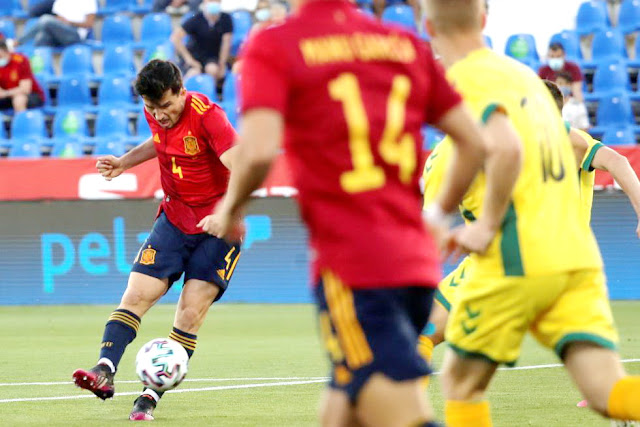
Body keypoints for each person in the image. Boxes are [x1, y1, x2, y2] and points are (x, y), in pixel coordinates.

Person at [198, 0, 490, 425]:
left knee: (400, 412)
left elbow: (258, 151)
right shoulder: (402, 44)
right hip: (415, 261)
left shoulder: (276, 44)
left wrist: (230, 207)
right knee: (344, 404)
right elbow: (475, 142)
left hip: (354, 264)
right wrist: (438, 214)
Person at [424, 1, 640, 426]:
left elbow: (503, 146)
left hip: (517, 254)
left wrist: (476, 221)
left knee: (462, 384)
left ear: (429, 28)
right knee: (605, 390)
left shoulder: (472, 78)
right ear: (484, 21)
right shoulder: (525, 84)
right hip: (575, 259)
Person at [71, 59, 240, 422]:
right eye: (152, 108)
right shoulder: (156, 113)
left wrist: (225, 212)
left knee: (189, 313)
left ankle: (149, 398)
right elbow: (160, 141)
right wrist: (124, 163)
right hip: (174, 219)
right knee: (135, 295)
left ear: (181, 90)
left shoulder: (209, 116)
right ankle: (104, 370)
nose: (160, 115)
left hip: (218, 229)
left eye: (166, 106)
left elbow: (243, 166)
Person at [170, 0, 233, 83]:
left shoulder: (225, 18)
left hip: (213, 57)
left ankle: (209, 93)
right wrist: (189, 59)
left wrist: (222, 64)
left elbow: (226, 43)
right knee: (192, 74)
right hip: (195, 56)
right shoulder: (196, 18)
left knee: (212, 70)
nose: (213, 2)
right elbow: (175, 37)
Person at [17, 0, 97, 48]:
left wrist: (69, 22)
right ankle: (38, 70)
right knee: (42, 36)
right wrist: (62, 21)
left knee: (46, 19)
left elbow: (89, 24)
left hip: (76, 34)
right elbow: (57, 17)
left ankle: (19, 42)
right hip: (60, 32)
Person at [0, 40, 45, 112]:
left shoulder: (21, 61)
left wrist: (5, 93)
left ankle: (22, 122)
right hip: (8, 97)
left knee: (19, 99)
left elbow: (25, 89)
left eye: (0, 56)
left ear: (7, 52)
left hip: (31, 95)